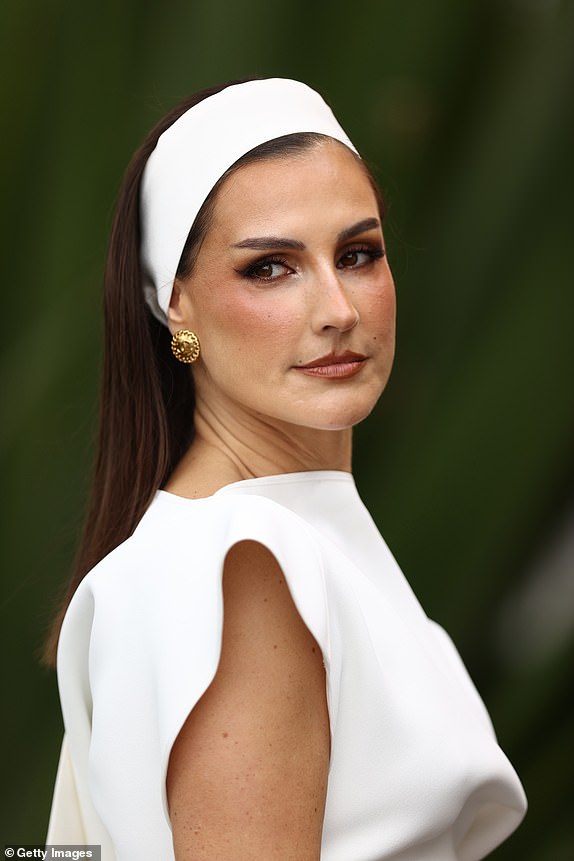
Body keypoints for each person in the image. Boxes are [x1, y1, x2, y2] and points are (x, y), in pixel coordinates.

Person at [46, 78, 526, 860]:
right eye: (271, 267)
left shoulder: (245, 540)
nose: (338, 307)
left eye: (358, 254)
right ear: (178, 308)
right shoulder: (248, 559)